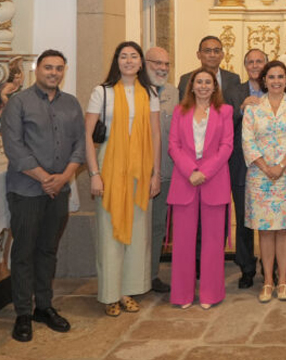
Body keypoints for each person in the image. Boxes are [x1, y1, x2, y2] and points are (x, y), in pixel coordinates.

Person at [0, 50, 83, 342]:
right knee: (24, 251)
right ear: (37, 69)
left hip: (57, 190)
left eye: (59, 68)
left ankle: (44, 307)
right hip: (26, 190)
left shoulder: (71, 104)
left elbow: (80, 146)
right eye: (48, 67)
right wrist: (44, 178)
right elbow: (14, 147)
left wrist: (62, 178)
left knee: (48, 250)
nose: (54, 73)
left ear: (64, 71)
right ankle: (23, 312)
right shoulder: (19, 103)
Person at [84, 41, 162, 317]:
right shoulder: (101, 92)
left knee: (137, 232)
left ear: (141, 63)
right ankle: (109, 294)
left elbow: (155, 134)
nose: (129, 61)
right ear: (117, 61)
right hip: (109, 166)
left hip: (141, 167)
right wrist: (94, 173)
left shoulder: (149, 92)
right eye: (123, 56)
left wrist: (156, 173)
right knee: (110, 232)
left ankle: (128, 290)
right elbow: (87, 135)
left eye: (134, 57)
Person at [242, 60, 286, 303]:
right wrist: (266, 167)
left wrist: (280, 166)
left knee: (283, 230)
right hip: (260, 177)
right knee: (265, 231)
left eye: (281, 77)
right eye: (271, 77)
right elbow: (248, 141)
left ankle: (283, 280)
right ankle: (268, 280)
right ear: (264, 80)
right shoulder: (253, 108)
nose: (276, 81)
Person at [168, 68, 234, 309]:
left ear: (215, 87)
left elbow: (227, 146)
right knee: (183, 241)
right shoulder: (180, 111)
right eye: (199, 82)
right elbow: (173, 146)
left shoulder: (225, 111)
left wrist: (204, 172)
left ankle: (210, 294)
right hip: (185, 180)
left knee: (213, 242)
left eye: (208, 82)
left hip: (213, 179)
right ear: (192, 86)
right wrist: (190, 171)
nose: (204, 86)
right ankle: (182, 294)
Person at [229, 48, 267, 288]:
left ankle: (270, 264)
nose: (255, 65)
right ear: (245, 66)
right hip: (241, 164)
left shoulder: (275, 88)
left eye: (259, 61)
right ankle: (246, 267)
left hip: (270, 165)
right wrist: (241, 109)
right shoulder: (234, 92)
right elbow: (223, 122)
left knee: (268, 218)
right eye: (250, 62)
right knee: (243, 218)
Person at [144, 47, 177, 294]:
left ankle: (152, 274)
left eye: (166, 63)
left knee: (157, 227)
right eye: (157, 63)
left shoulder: (174, 92)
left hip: (165, 173)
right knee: (134, 227)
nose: (163, 68)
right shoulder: (132, 91)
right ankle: (132, 276)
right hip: (137, 172)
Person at [178, 35, 242, 102]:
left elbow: (236, 105)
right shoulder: (186, 79)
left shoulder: (233, 79)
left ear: (222, 55)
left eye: (216, 51)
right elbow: (183, 107)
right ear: (198, 55)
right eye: (207, 51)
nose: (212, 55)